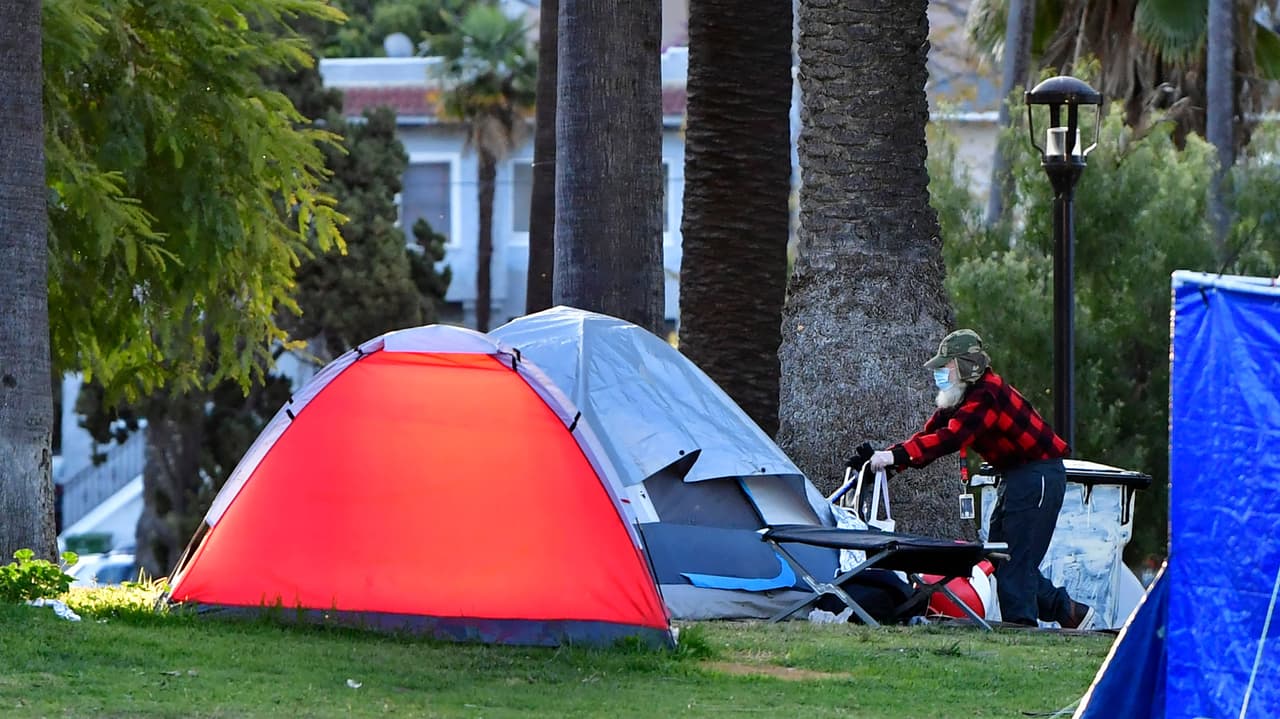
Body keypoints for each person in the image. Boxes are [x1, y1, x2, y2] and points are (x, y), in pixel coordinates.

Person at [867, 329, 1096, 630]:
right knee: (1001, 557)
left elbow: (952, 438)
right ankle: (1068, 611)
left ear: (965, 365)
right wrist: (890, 459)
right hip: (1017, 477)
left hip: (1037, 476)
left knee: (1017, 562)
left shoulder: (987, 393)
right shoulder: (961, 396)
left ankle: (1022, 631)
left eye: (945, 366)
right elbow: (930, 435)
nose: (939, 373)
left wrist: (896, 457)